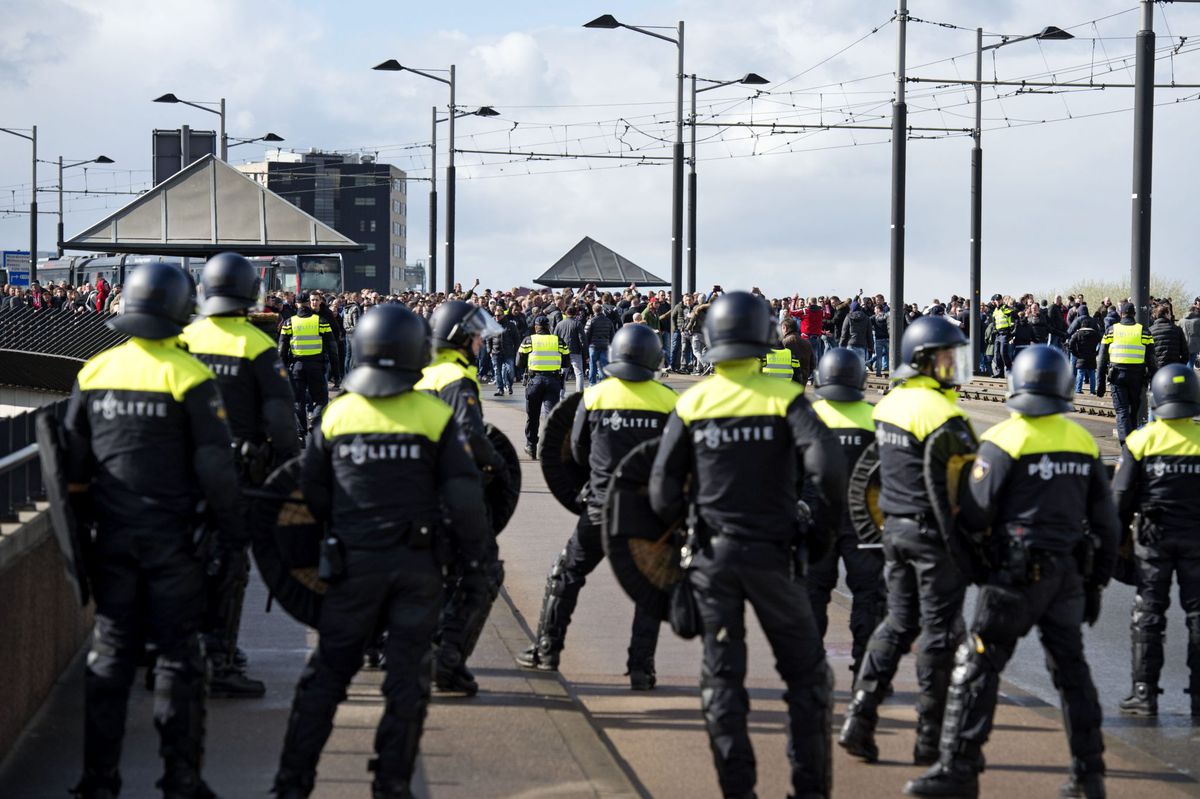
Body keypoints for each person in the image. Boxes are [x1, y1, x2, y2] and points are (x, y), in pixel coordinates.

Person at [272, 304, 489, 799]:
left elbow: (309, 494)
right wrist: (475, 560)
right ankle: (391, 785)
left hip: (353, 566)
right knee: (407, 682)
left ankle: (292, 783)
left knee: (326, 676)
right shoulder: (435, 416)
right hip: (417, 566)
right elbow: (464, 498)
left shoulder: (336, 414)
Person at [650, 291, 846, 799]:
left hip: (713, 559)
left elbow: (659, 491)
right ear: (763, 338)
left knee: (721, 679)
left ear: (710, 339)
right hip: (774, 557)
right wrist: (818, 532)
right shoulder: (786, 400)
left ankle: (738, 791)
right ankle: (808, 790)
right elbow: (827, 469)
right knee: (807, 677)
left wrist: (686, 533)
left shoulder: (693, 402)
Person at [905, 345, 1119, 799]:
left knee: (978, 666)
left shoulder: (1003, 440)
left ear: (1016, 385)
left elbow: (978, 516)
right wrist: (1096, 580)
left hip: (1013, 578)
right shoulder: (1082, 442)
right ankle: (1089, 775)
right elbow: (1107, 522)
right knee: (1073, 674)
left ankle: (959, 770)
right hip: (1067, 576)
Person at [66, 262, 243, 799]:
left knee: (110, 657)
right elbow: (215, 468)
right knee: (178, 658)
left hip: (112, 539)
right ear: (178, 310)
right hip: (175, 542)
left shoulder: (94, 372)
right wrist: (233, 532)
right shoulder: (190, 378)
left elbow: (71, 467)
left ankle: (98, 782)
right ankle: (180, 779)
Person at [840, 315, 977, 767]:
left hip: (894, 530)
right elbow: (966, 493)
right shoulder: (947, 417)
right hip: (934, 537)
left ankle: (859, 718)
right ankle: (928, 740)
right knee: (938, 634)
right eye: (945, 358)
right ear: (922, 361)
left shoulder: (890, 405)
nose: (953, 366)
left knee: (897, 624)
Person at [516, 324, 676, 688]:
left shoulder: (595, 396)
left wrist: (589, 483)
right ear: (654, 358)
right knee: (649, 588)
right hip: (648, 513)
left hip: (600, 507)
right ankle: (641, 668)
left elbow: (573, 449)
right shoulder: (670, 401)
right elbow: (680, 460)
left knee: (567, 574)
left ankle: (546, 650)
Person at [180, 252, 300, 699]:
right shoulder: (257, 345)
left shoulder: (182, 338)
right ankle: (221, 658)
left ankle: (174, 652)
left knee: (182, 560)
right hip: (237, 475)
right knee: (229, 562)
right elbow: (282, 422)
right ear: (251, 293)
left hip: (182, 470)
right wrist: (288, 469)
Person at [415, 299, 510, 695]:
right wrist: (498, 469)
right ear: (459, 340)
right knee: (482, 573)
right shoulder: (456, 380)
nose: (480, 344)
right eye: (475, 338)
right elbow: (470, 438)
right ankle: (448, 658)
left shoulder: (423, 376)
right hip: (450, 495)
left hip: (418, 491)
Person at [1113, 364, 1200, 719]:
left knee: (1148, 614)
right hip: (1198, 540)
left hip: (1152, 539)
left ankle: (1144, 693)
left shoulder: (1140, 440)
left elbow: (1120, 499)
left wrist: (1114, 545)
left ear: (1156, 397)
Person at [806, 348, 885, 682]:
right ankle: (864, 674)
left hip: (815, 518)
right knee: (869, 597)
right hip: (865, 521)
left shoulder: (808, 417)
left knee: (811, 596)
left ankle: (810, 672)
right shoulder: (876, 418)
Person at [279, 292, 340, 438]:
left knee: (298, 401)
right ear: (308, 303)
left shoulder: (289, 322)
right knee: (321, 399)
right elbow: (333, 349)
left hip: (297, 367)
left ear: (296, 304)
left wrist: (282, 369)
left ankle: (301, 434)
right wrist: (337, 374)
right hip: (317, 366)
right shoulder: (321, 321)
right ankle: (315, 422)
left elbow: (281, 349)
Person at [1097, 302, 1157, 447]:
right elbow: (1151, 358)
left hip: (1117, 376)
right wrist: (1153, 379)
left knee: (1122, 411)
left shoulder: (1111, 330)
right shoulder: (1144, 331)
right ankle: (1132, 446)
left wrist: (1100, 383)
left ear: (1121, 314)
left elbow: (1102, 358)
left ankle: (1126, 447)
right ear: (1134, 314)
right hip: (1137, 377)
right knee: (1133, 411)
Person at [517, 315, 570, 458]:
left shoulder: (529, 340)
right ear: (549, 327)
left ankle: (531, 446)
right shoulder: (558, 340)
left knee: (532, 416)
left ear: (536, 327)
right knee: (550, 415)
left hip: (534, 380)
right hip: (553, 381)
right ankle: (550, 447)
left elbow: (518, 361)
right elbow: (566, 361)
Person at [1067, 313, 1101, 395]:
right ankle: (1092, 391)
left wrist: (1076, 353)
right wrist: (1097, 352)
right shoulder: (1095, 334)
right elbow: (1102, 343)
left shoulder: (1077, 334)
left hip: (1081, 356)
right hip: (1092, 356)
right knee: (1092, 373)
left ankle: (1078, 390)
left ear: (1082, 325)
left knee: (1080, 373)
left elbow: (1070, 345)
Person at [584, 302, 615, 386]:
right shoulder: (608, 321)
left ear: (594, 310)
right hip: (605, 345)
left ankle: (592, 384)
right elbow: (612, 335)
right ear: (601, 310)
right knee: (603, 365)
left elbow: (586, 335)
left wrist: (585, 348)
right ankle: (602, 383)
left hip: (593, 346)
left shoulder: (591, 321)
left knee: (592, 366)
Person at [990, 295, 1014, 378]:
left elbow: (1011, 316)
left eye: (999, 300)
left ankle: (1010, 369)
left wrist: (1011, 333)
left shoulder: (1004, 307)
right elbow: (994, 321)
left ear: (1001, 300)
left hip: (1005, 333)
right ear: (995, 301)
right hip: (998, 334)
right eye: (997, 300)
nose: (998, 301)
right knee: (996, 354)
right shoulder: (995, 310)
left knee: (1003, 353)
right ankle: (1000, 372)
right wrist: (994, 330)